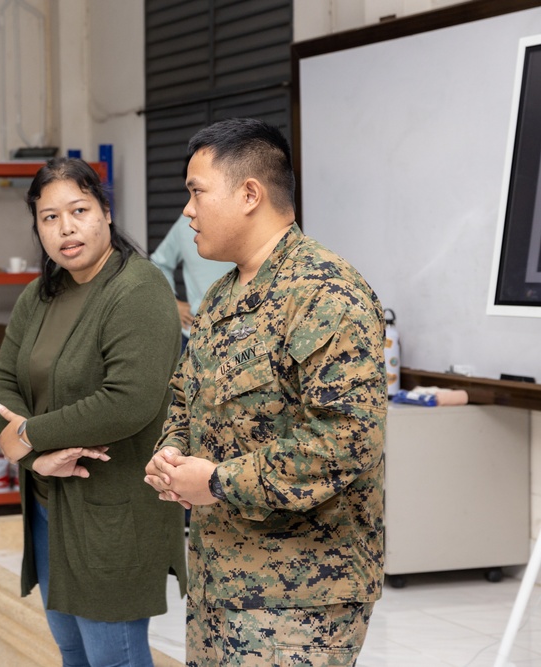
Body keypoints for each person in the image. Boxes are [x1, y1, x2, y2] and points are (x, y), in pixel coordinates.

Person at [144, 118, 387, 666]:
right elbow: (184, 396)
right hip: (219, 582)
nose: (188, 211)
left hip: (299, 599)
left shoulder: (325, 293)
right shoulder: (221, 298)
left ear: (249, 193)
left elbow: (345, 441)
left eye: (196, 193)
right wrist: (171, 452)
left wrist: (217, 481)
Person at [0, 157, 187, 667]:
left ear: (106, 213)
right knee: (72, 649)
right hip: (48, 506)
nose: (66, 228)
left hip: (111, 510)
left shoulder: (139, 289)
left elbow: (130, 401)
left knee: (113, 657)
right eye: (49, 217)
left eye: (79, 210)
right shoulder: (41, 293)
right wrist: (35, 458)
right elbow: (1, 382)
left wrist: (27, 436)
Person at [150, 214, 232, 347]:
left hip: (244, 332)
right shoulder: (185, 223)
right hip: (195, 335)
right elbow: (158, 263)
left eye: (198, 192)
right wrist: (171, 302)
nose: (187, 208)